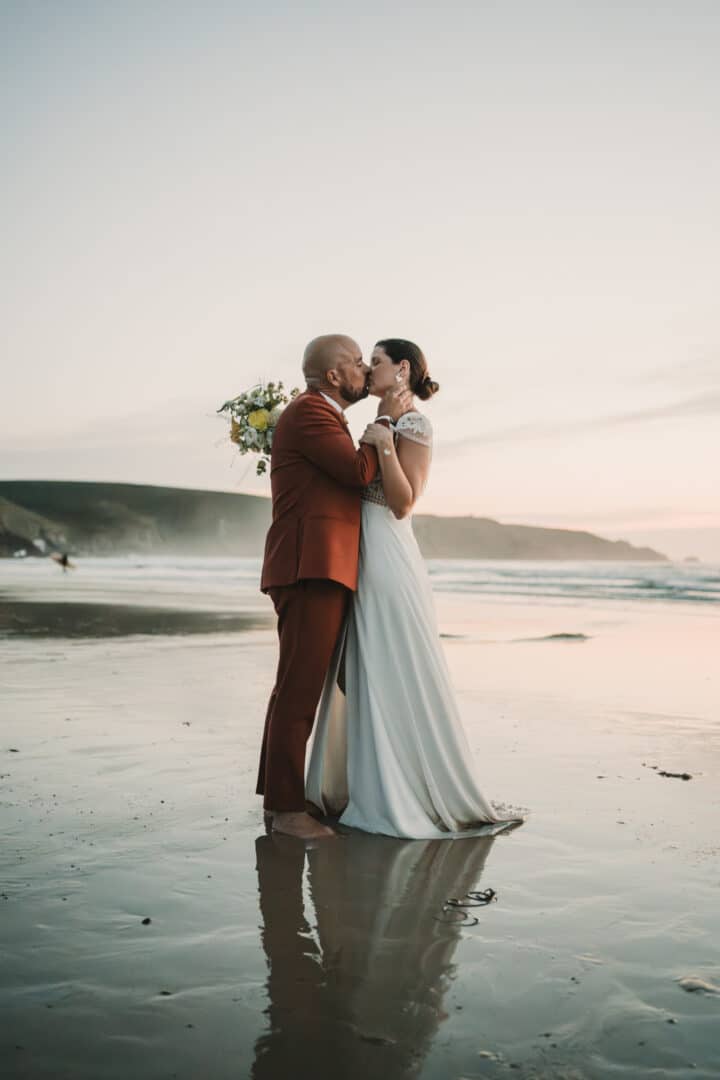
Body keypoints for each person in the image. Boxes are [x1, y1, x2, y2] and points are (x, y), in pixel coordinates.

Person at [306, 338, 523, 838]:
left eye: (375, 361)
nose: (367, 369)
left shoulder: (415, 424)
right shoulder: (378, 420)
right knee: (362, 667)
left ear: (401, 369)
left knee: (391, 660)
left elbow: (403, 503)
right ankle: (367, 782)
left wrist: (382, 439)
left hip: (386, 553)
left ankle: (406, 792)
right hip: (359, 550)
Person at [256, 334, 412, 840]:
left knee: (295, 686)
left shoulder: (322, 415)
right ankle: (285, 811)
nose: (365, 368)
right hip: (310, 568)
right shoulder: (311, 413)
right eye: (354, 362)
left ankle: (279, 798)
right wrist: (386, 419)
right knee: (299, 689)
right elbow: (357, 471)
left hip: (318, 567)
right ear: (331, 377)